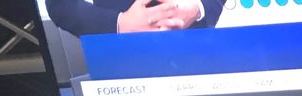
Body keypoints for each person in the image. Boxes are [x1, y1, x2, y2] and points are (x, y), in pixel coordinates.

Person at [46, 0, 224, 37]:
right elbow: (59, 4)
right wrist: (119, 23)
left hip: (196, 45)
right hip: (119, 58)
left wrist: (199, 6)